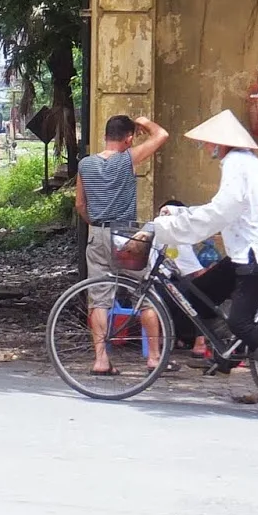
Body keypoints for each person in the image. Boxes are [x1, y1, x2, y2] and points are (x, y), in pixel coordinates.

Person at [139, 109, 258, 411]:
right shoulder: (243, 162)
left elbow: (222, 211)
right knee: (198, 297)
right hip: (244, 252)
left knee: (240, 321)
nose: (206, 148)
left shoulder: (236, 164)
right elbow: (225, 208)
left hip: (256, 256)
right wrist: (183, 213)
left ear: (221, 143)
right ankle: (229, 352)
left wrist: (174, 226)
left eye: (208, 143)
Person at [75, 114, 169, 374]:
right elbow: (161, 135)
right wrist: (144, 121)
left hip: (97, 234)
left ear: (106, 136)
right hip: (125, 235)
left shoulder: (85, 164)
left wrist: (94, 223)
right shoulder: (126, 159)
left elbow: (80, 205)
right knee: (146, 294)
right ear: (128, 138)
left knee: (99, 299)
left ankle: (101, 360)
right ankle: (154, 358)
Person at [157, 199, 235, 349]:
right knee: (202, 293)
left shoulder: (158, 233)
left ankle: (178, 338)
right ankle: (200, 344)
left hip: (158, 285)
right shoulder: (177, 239)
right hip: (166, 288)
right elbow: (197, 273)